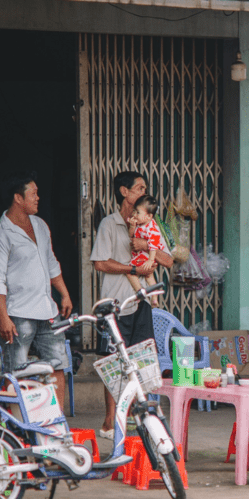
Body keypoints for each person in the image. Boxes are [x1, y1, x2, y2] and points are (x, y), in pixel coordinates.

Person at [90, 171, 173, 439]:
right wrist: (132, 269)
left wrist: (146, 244)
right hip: (116, 304)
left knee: (142, 360)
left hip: (143, 302)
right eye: (139, 188)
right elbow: (100, 262)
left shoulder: (151, 222)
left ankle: (144, 417)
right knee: (114, 362)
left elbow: (169, 261)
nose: (144, 192)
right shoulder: (109, 224)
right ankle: (110, 422)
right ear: (124, 192)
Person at [0, 171, 73, 409]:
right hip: (19, 314)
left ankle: (57, 422)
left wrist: (63, 293)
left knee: (57, 367)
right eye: (33, 193)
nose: (38, 198)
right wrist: (4, 317)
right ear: (18, 198)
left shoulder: (40, 225)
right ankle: (15, 427)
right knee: (16, 373)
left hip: (48, 310)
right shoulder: (0, 235)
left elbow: (51, 262)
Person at [125, 194, 163, 307]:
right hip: (144, 256)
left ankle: (140, 291)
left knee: (130, 272)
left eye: (138, 213)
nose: (134, 215)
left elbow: (153, 245)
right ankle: (154, 298)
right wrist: (132, 226)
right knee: (149, 276)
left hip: (146, 256)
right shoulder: (140, 224)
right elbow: (130, 235)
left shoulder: (152, 229)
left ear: (149, 216)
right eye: (135, 211)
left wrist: (151, 260)